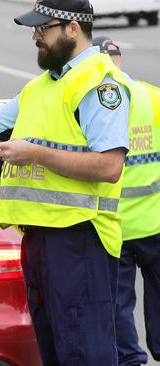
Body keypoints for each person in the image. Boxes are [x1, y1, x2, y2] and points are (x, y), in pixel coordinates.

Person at [0, 0, 132, 364]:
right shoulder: (39, 88)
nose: (35, 36)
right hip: (40, 241)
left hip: (80, 240)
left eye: (42, 28)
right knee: (56, 353)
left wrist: (34, 153)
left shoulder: (99, 85)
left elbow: (110, 165)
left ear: (72, 29)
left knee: (85, 355)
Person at [94, 36, 160, 366]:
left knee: (118, 303)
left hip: (115, 226)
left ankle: (131, 360)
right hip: (154, 222)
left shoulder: (93, 104)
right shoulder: (152, 97)